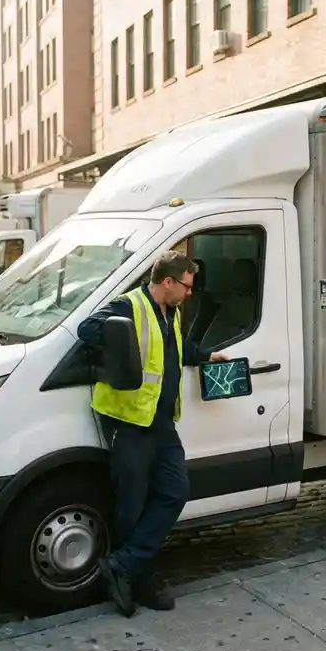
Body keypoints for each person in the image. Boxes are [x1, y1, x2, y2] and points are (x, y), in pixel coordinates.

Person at [77, 251, 227, 618]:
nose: (189, 294)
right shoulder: (129, 307)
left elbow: (175, 350)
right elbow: (88, 329)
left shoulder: (170, 313)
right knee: (132, 505)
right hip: (129, 421)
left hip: (160, 423)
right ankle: (138, 579)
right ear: (168, 283)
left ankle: (123, 566)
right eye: (187, 287)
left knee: (175, 492)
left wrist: (206, 356)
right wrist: (118, 344)